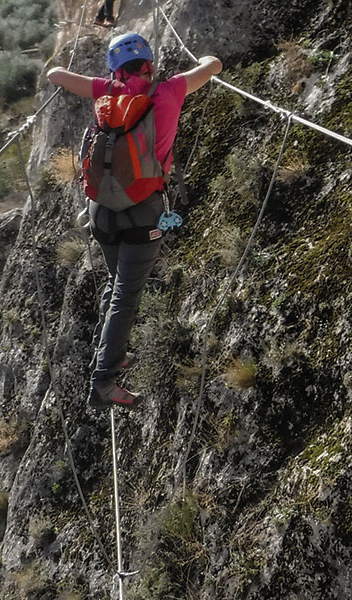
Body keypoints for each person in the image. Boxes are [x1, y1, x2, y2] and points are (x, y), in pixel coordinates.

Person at [47, 33, 223, 407]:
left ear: (115, 69)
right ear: (150, 64)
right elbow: (214, 66)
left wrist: (100, 81)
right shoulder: (170, 91)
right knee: (126, 295)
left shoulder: (105, 92)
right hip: (144, 212)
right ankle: (104, 381)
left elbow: (55, 76)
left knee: (117, 286)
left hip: (101, 213)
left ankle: (112, 353)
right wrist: (204, 54)